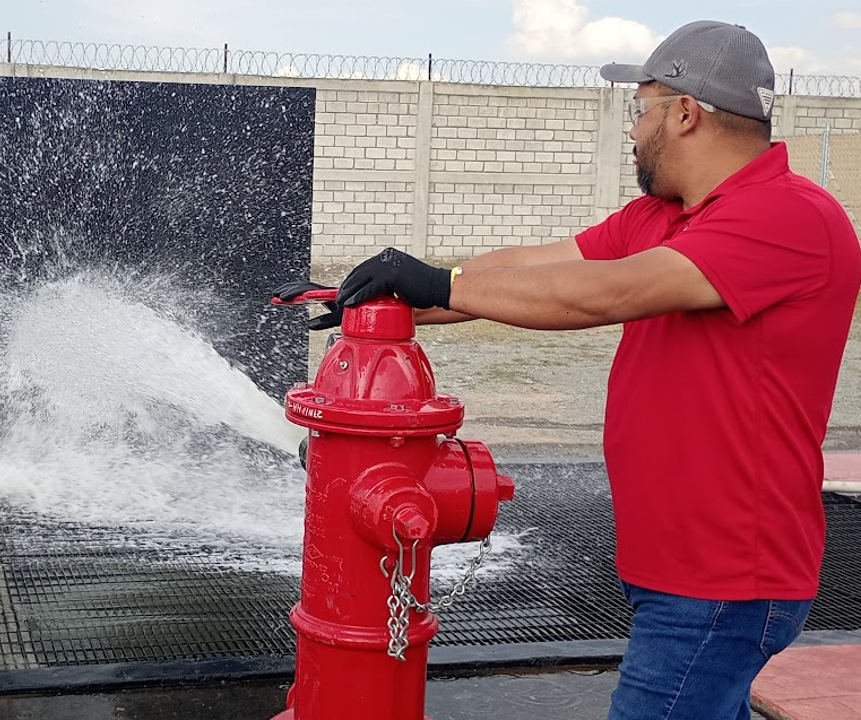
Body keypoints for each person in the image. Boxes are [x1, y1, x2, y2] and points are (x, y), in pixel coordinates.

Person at [276, 20, 861, 720]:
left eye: (639, 109)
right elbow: (537, 267)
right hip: (675, 565)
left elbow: (604, 293)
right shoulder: (661, 216)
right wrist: (386, 297)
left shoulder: (787, 216)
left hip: (727, 575)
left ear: (685, 112)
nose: (631, 130)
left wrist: (438, 284)